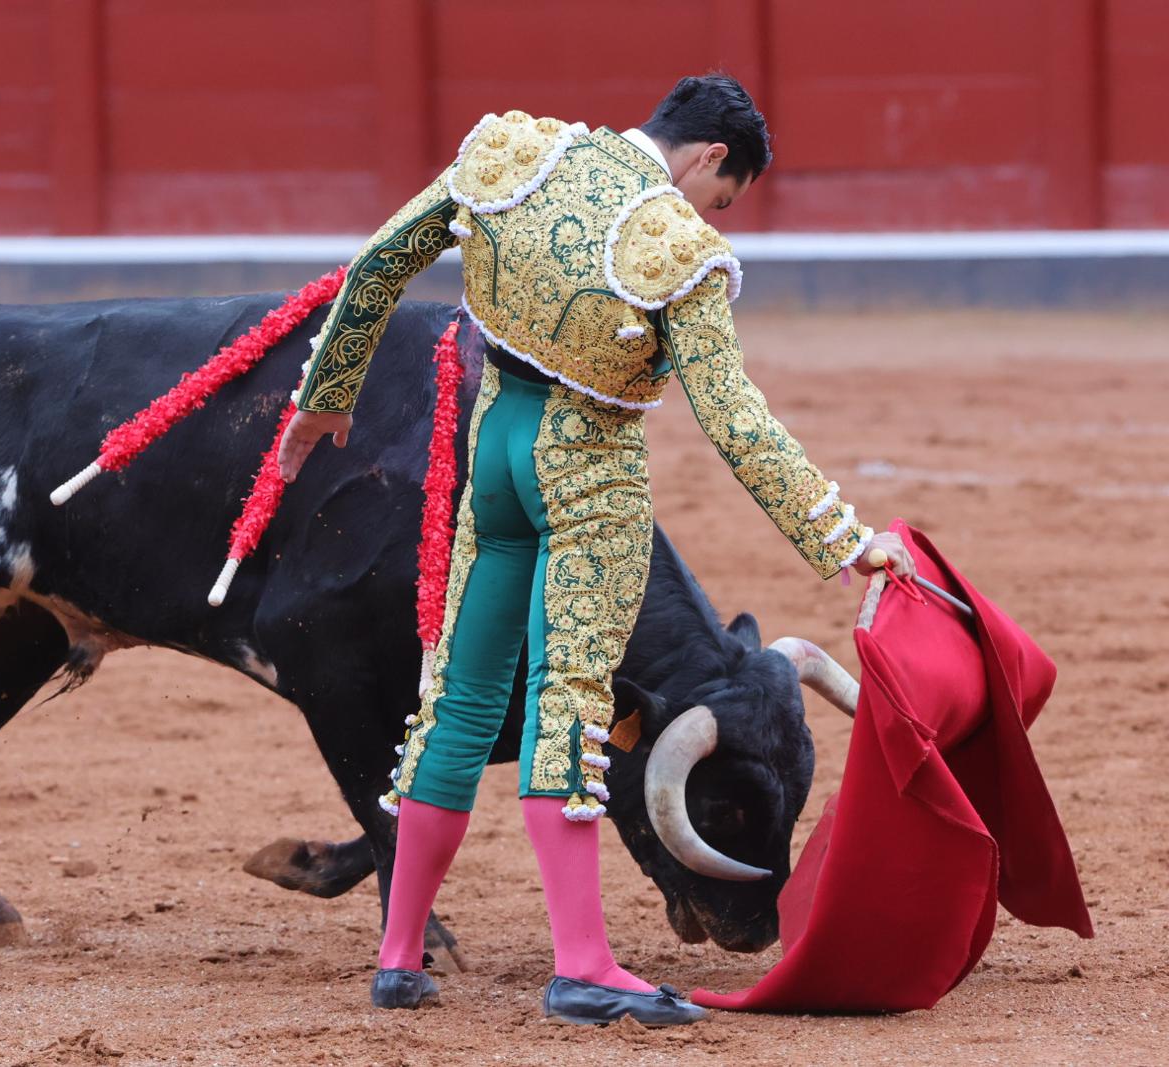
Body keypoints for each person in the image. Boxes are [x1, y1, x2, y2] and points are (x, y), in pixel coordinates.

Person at [277, 73, 914, 1027]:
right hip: (585, 472)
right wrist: (844, 538)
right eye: (724, 194)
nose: (713, 211)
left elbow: (378, 262)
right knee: (568, 707)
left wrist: (325, 393)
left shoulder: (517, 155)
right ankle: (582, 965)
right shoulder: (677, 246)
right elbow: (735, 423)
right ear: (709, 158)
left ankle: (399, 954)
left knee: (455, 696)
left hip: (490, 451)